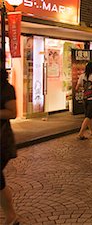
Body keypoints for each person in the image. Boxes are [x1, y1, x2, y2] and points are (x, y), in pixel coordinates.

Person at [0, 67, 19, 225]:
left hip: (1, 141)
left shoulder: (5, 88)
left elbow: (12, 112)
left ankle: (11, 216)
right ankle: (11, 216)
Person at [76, 62, 92, 140]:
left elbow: (76, 88)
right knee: (88, 116)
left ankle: (91, 131)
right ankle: (80, 133)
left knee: (89, 115)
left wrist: (84, 90)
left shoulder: (82, 76)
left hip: (84, 98)